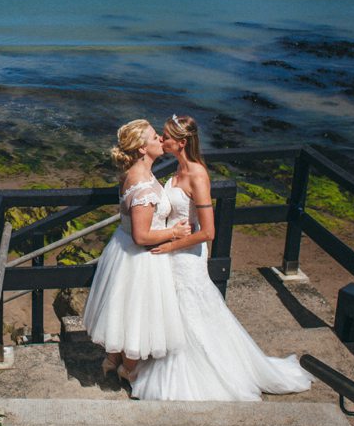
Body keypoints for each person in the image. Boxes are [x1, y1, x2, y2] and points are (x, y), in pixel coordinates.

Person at [130, 114, 313, 401]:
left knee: (192, 314)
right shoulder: (175, 170)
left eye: (165, 136)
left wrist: (170, 245)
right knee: (176, 315)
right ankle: (170, 369)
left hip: (186, 255)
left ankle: (200, 375)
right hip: (172, 252)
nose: (161, 140)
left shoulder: (198, 175)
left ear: (181, 142)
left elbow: (209, 232)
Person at [82, 119, 193, 382]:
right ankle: (128, 371)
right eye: (155, 137)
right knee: (137, 318)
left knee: (124, 311)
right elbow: (141, 235)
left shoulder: (132, 173)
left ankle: (113, 359)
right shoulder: (142, 185)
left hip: (122, 251)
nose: (161, 141)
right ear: (143, 148)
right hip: (141, 258)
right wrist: (174, 232)